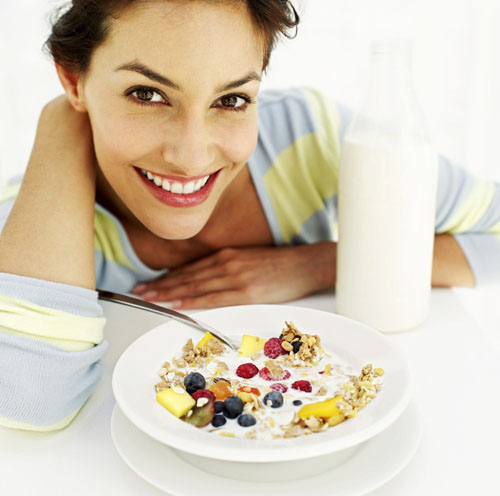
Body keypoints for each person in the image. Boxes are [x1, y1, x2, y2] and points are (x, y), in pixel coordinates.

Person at [0, 0, 498, 432]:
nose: (192, 156)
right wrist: (62, 118)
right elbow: (31, 401)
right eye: (146, 94)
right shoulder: (30, 222)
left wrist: (319, 264)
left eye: (232, 99)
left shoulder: (313, 138)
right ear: (72, 76)